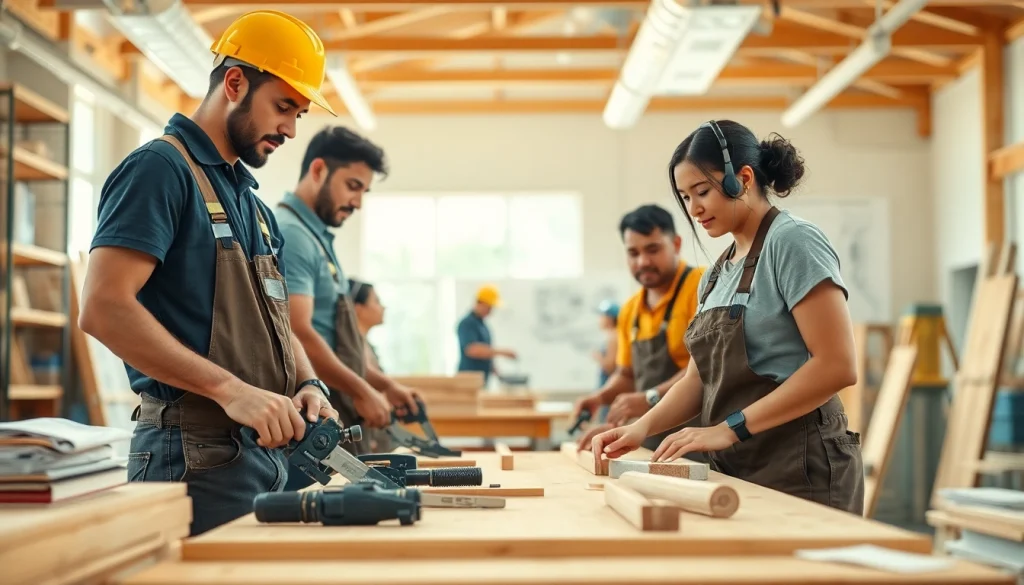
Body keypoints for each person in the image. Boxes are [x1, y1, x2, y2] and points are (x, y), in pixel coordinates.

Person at [79, 10, 340, 536]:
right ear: (235, 83)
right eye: (283, 107)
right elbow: (103, 307)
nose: (290, 129)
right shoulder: (159, 170)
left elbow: (277, 322)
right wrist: (231, 390)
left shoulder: (255, 208)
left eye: (299, 114)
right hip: (188, 456)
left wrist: (309, 382)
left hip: (262, 454)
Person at [592, 120, 864, 515]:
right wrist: (640, 428)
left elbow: (836, 365)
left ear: (744, 178)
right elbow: (698, 379)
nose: (694, 209)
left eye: (702, 191)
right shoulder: (716, 274)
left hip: (801, 461)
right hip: (740, 465)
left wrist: (729, 428)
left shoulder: (793, 242)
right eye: (685, 197)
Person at [274, 126, 418, 477]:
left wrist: (384, 386)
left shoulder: (317, 238)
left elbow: (334, 342)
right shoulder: (293, 235)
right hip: (309, 415)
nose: (358, 202)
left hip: (330, 406)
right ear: (318, 170)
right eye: (353, 186)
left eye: (363, 191)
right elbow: (297, 332)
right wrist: (362, 390)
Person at [571, 205, 706, 453]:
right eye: (633, 253)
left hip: (699, 438)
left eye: (653, 249)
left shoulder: (703, 287)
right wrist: (601, 397)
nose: (643, 261)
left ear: (676, 244)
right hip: (650, 441)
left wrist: (650, 397)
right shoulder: (630, 310)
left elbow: (704, 368)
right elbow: (627, 375)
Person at [456, 284, 517, 385]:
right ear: (481, 303)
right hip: (468, 380)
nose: (491, 310)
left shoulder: (483, 325)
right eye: (489, 307)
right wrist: (503, 352)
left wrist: (493, 368)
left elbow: (486, 351)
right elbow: (472, 349)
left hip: (482, 380)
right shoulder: (467, 324)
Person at [592, 300, 619, 389]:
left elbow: (611, 368)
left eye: (602, 316)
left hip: (609, 385)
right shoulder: (615, 335)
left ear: (609, 318)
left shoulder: (613, 337)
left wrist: (598, 357)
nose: (599, 319)